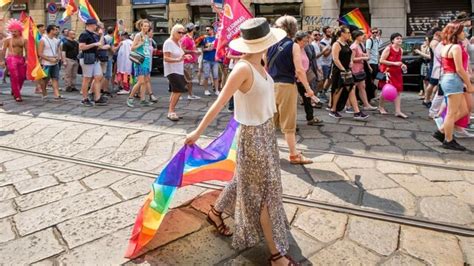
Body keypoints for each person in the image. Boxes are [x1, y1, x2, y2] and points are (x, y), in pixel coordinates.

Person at [185, 18, 298, 266]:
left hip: (267, 134)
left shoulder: (261, 63)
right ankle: (275, 255)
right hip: (252, 136)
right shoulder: (242, 68)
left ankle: (215, 213)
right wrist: (197, 132)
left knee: (243, 182)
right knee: (265, 192)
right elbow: (220, 102)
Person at [267, 15, 315, 164]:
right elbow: (300, 71)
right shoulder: (293, 45)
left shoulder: (270, 45)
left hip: (270, 86)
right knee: (288, 123)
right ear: (292, 29)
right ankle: (294, 155)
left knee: (270, 122)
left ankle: (268, 152)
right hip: (287, 86)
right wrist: (309, 90)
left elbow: (264, 67)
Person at [433, 22, 474, 150]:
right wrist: (468, 84)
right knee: (452, 113)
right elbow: (460, 69)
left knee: (464, 110)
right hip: (453, 79)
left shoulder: (447, 46)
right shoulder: (455, 48)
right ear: (456, 33)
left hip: (448, 78)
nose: (464, 34)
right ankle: (448, 140)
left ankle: (441, 131)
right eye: (462, 31)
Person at [329, 26, 369, 120]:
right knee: (338, 90)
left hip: (346, 70)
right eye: (347, 32)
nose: (349, 34)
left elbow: (348, 55)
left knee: (351, 88)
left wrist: (350, 62)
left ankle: (356, 112)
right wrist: (343, 69)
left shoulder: (346, 43)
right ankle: (334, 109)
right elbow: (335, 59)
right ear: (342, 33)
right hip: (339, 71)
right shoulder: (336, 44)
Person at [294, 31, 323, 126]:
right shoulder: (294, 48)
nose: (306, 42)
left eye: (307, 40)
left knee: (307, 98)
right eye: (304, 40)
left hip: (305, 76)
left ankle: (310, 118)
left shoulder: (306, 48)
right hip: (296, 78)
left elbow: (311, 60)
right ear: (298, 40)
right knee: (294, 101)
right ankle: (292, 122)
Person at [163, 24, 191, 121]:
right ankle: (171, 112)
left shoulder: (177, 42)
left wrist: (185, 57)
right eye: (179, 32)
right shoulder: (168, 43)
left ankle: (171, 111)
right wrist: (178, 59)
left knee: (176, 91)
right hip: (172, 70)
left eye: (183, 32)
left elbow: (179, 55)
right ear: (173, 32)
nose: (181, 34)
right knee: (178, 91)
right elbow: (166, 58)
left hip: (178, 69)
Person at [78, 18, 108, 107]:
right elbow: (81, 47)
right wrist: (94, 44)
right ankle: (84, 98)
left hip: (95, 58)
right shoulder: (84, 34)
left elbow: (99, 45)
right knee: (87, 79)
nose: (96, 26)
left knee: (99, 76)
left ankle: (97, 98)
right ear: (91, 25)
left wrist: (102, 35)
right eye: (95, 25)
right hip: (87, 58)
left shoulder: (94, 35)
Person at [378, 33, 408, 118]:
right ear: (392, 40)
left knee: (398, 91)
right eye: (397, 38)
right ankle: (380, 106)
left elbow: (399, 61)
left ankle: (398, 111)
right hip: (388, 72)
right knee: (386, 90)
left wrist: (402, 65)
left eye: (400, 38)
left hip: (397, 72)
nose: (400, 40)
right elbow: (381, 60)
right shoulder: (388, 49)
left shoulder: (401, 50)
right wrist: (394, 63)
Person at [127, 19, 153, 107]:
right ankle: (130, 98)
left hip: (146, 60)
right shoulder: (138, 35)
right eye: (144, 26)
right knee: (140, 81)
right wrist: (140, 44)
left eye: (147, 26)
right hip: (140, 61)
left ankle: (143, 99)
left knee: (145, 81)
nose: (146, 27)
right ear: (141, 26)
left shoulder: (146, 36)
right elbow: (132, 48)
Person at [0, 19, 26, 102]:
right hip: (11, 58)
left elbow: (28, 50)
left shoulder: (24, 39)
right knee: (15, 76)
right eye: (12, 31)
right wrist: (2, 61)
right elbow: (3, 50)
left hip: (21, 59)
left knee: (22, 77)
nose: (13, 33)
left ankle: (15, 90)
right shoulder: (7, 39)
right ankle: (17, 95)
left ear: (19, 31)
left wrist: (28, 60)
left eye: (15, 31)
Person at [350, 30, 377, 111]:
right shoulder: (354, 46)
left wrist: (364, 55)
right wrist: (363, 57)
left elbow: (360, 54)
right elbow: (352, 59)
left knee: (362, 87)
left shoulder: (359, 45)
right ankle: (351, 105)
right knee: (352, 88)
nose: (363, 37)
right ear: (357, 37)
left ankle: (366, 104)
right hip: (355, 70)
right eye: (361, 35)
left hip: (360, 69)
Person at [422, 27, 442, 108]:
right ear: (437, 33)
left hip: (435, 64)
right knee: (432, 83)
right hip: (435, 65)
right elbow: (437, 54)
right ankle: (427, 100)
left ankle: (429, 99)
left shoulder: (436, 42)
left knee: (434, 83)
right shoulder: (434, 42)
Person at [181, 23, 201, 100]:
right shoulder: (186, 38)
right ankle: (190, 95)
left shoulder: (191, 38)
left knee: (189, 79)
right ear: (192, 29)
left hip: (190, 61)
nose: (196, 30)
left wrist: (195, 52)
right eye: (195, 28)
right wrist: (194, 51)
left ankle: (190, 94)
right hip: (187, 62)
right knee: (188, 79)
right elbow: (183, 49)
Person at [201, 26, 219, 96]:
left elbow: (219, 48)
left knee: (216, 76)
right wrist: (206, 49)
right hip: (206, 59)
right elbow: (202, 49)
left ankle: (217, 90)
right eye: (206, 30)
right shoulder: (205, 39)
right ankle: (206, 90)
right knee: (206, 76)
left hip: (215, 59)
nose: (207, 31)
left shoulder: (216, 38)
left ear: (212, 30)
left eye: (208, 30)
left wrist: (214, 48)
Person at [366, 28, 381, 98]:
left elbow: (377, 52)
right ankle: (373, 95)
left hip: (376, 62)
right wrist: (368, 64)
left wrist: (379, 62)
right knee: (372, 79)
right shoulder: (369, 41)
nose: (375, 34)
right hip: (371, 62)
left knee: (377, 78)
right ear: (371, 33)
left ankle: (375, 94)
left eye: (376, 32)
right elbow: (368, 52)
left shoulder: (377, 40)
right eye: (373, 32)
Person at [319, 26, 333, 99]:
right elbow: (325, 54)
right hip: (325, 63)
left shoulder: (332, 40)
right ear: (325, 32)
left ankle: (324, 91)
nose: (330, 33)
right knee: (325, 79)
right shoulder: (322, 42)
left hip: (331, 63)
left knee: (330, 79)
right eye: (328, 32)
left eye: (330, 31)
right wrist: (331, 47)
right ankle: (322, 93)